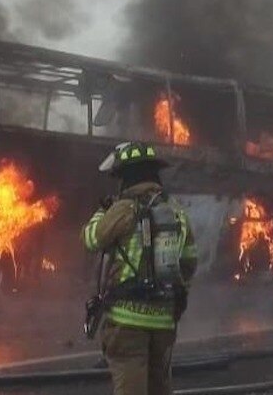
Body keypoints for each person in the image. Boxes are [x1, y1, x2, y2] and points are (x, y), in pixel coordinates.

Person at [82, 141, 198, 395]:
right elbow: (189, 262)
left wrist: (103, 211)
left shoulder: (124, 208)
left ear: (127, 177)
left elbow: (92, 238)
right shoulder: (177, 212)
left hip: (127, 323)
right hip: (164, 321)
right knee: (160, 388)